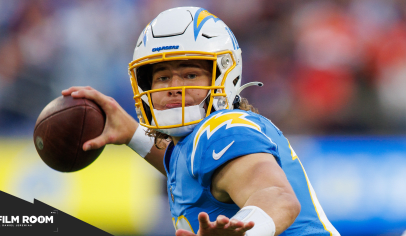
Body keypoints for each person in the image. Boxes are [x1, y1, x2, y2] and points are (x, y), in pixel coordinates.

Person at [62, 7, 340, 236]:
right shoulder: (194, 145)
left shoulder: (221, 130)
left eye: (190, 75)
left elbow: (278, 197)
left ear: (223, 76)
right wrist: (132, 134)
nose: (173, 87)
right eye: (161, 77)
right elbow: (191, 171)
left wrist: (246, 232)